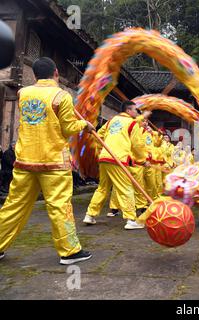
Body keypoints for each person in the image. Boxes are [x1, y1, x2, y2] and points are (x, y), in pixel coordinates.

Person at [0, 57, 95, 264]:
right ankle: (69, 251)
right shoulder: (62, 96)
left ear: (34, 75)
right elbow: (67, 128)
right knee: (60, 206)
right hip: (53, 162)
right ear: (56, 73)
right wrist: (84, 125)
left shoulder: (23, 93)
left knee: (14, 204)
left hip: (25, 159)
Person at [83, 101, 150, 230]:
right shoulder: (132, 123)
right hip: (118, 159)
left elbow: (98, 135)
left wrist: (106, 148)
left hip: (105, 157)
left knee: (102, 188)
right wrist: (142, 160)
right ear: (129, 110)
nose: (138, 113)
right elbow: (137, 145)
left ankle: (90, 215)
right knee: (125, 188)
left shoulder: (111, 121)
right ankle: (131, 219)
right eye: (136, 110)